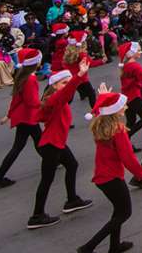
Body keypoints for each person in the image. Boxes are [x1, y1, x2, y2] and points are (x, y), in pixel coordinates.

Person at [26, 59, 94, 230]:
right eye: (63, 82)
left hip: (57, 143)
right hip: (51, 144)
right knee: (46, 180)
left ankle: (72, 200)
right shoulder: (54, 100)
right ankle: (36, 215)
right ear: (54, 85)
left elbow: (68, 93)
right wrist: (78, 76)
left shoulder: (57, 99)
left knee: (72, 165)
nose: (66, 85)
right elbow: (67, 92)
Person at [79, 91, 142, 253]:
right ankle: (88, 247)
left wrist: (105, 96)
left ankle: (114, 246)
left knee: (118, 212)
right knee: (124, 213)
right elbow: (128, 157)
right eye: (122, 105)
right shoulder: (118, 130)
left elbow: (100, 109)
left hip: (103, 177)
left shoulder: (102, 126)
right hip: (112, 178)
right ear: (114, 110)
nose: (125, 107)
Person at [0, 48, 43, 188]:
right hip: (29, 117)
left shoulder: (22, 75)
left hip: (23, 116)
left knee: (32, 143)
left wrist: (9, 115)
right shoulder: (31, 79)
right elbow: (32, 101)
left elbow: (16, 99)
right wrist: (45, 103)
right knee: (37, 142)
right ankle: (57, 160)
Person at [117, 42, 142, 140]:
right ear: (131, 53)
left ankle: (125, 142)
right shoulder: (133, 65)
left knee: (131, 121)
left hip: (127, 97)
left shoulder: (126, 65)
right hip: (133, 97)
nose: (141, 52)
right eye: (138, 50)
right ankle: (125, 137)